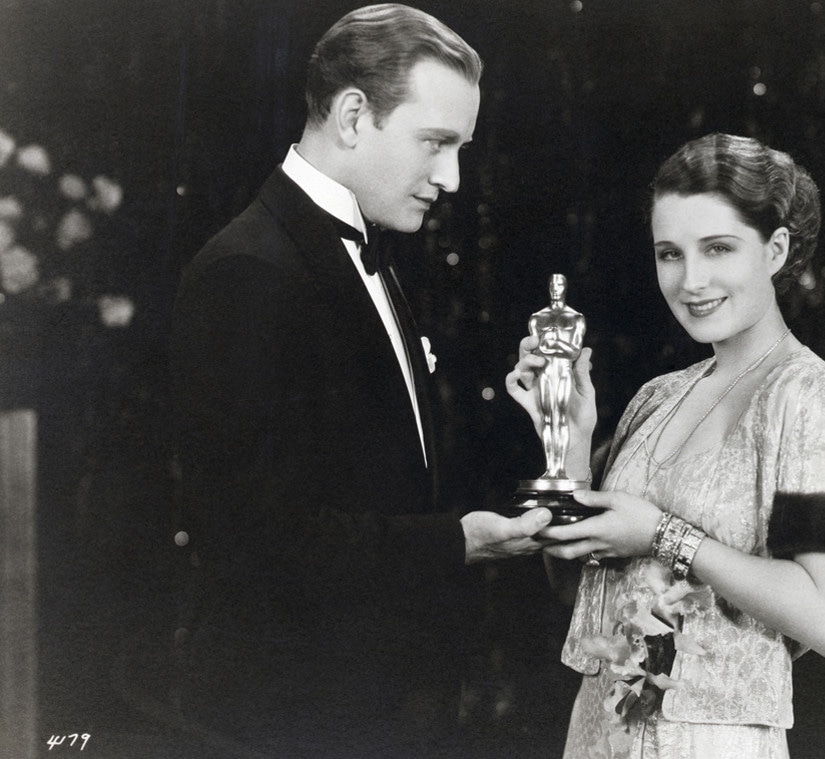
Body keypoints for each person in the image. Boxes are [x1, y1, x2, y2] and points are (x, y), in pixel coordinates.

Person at [169, 5, 552, 756]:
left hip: (379, 706)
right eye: (437, 143)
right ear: (352, 115)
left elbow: (381, 475)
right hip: (294, 718)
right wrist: (457, 542)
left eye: (461, 148)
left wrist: (526, 416)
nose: (451, 177)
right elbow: (253, 540)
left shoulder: (354, 246)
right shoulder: (248, 270)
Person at [507, 133, 825, 758]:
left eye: (717, 248)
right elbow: (589, 585)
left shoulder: (809, 400)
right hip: (600, 736)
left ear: (775, 249)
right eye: (669, 254)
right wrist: (570, 445)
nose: (691, 280)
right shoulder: (659, 397)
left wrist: (665, 534)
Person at [528, 273, 587, 479]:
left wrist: (552, 344)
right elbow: (535, 349)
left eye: (559, 284)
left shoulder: (575, 318)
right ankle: (550, 468)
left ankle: (560, 468)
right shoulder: (538, 318)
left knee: (560, 418)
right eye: (552, 284)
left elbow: (574, 351)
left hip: (562, 371)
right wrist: (553, 346)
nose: (555, 288)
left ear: (565, 287)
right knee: (547, 419)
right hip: (545, 372)